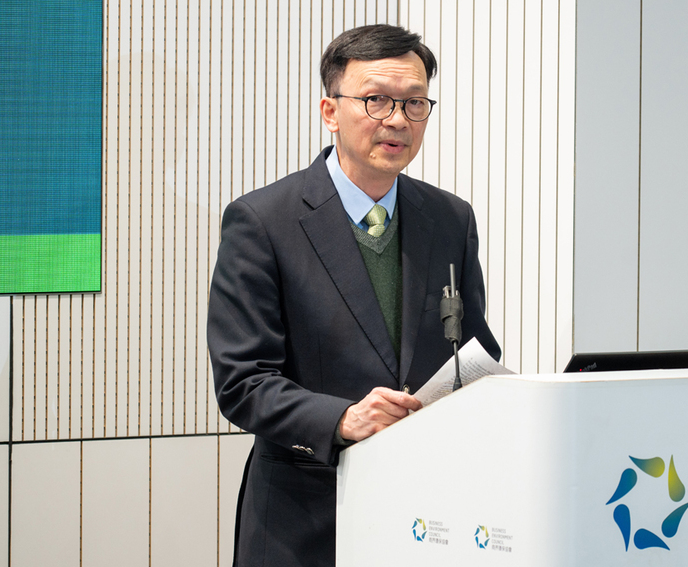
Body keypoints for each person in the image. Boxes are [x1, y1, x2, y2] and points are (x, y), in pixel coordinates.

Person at [207, 24, 501, 567]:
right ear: (330, 111)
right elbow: (243, 382)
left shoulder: (450, 218)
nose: (398, 120)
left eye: (415, 103)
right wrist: (342, 418)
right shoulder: (262, 221)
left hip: (429, 517)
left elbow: (472, 349)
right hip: (306, 520)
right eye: (376, 100)